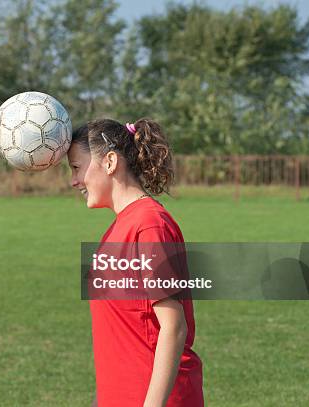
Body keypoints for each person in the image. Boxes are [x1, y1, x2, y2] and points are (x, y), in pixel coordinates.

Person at [67, 118, 204, 407]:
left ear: (110, 162)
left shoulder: (150, 224)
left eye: (77, 168)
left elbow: (173, 327)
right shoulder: (119, 227)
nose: (73, 181)